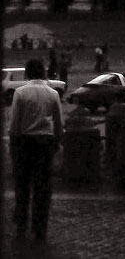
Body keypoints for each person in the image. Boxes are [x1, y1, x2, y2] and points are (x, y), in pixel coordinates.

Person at [9, 58, 64, 242]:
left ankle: (21, 224)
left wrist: (14, 144)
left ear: (27, 73)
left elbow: (15, 123)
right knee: (43, 188)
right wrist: (56, 142)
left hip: (24, 142)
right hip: (45, 143)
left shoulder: (20, 93)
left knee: (22, 186)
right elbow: (58, 123)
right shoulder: (53, 93)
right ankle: (40, 227)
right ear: (43, 72)